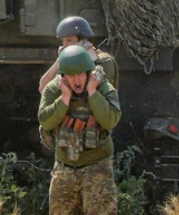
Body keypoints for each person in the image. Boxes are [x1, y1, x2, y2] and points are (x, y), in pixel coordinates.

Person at [38, 45, 122, 214]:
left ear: (88, 73)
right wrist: (65, 98)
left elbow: (110, 120)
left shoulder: (104, 89)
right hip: (65, 168)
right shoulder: (54, 89)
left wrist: (92, 92)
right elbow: (45, 121)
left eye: (80, 75)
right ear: (63, 76)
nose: (76, 80)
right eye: (71, 75)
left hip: (97, 167)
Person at [38, 16, 118, 94]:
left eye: (69, 40)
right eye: (63, 41)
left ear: (84, 40)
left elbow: (95, 92)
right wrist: (60, 60)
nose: (64, 45)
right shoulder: (67, 61)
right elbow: (43, 89)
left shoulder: (104, 60)